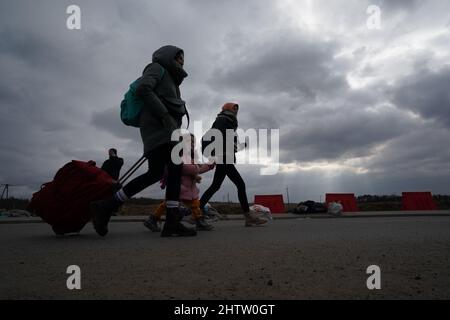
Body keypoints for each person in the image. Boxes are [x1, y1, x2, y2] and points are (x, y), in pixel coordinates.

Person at [90, 45, 196, 237]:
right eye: (178, 56)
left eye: (183, 58)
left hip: (166, 131)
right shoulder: (157, 68)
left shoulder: (173, 81)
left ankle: (107, 206)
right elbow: (143, 89)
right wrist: (165, 117)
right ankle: (170, 221)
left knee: (157, 173)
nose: (182, 60)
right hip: (160, 130)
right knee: (173, 169)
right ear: (168, 56)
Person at [200, 103, 267, 227]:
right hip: (223, 156)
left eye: (237, 109)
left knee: (215, 186)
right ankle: (248, 216)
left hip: (225, 156)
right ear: (227, 109)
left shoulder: (229, 121)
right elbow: (217, 136)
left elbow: (229, 141)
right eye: (233, 108)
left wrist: (240, 145)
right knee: (240, 184)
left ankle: (196, 212)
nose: (236, 111)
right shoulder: (223, 120)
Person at [144, 133, 216, 232]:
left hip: (189, 187)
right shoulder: (179, 154)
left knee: (194, 203)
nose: (191, 143)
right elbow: (184, 168)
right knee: (170, 203)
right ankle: (154, 218)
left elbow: (197, 169)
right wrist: (195, 171)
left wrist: (209, 165)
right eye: (188, 141)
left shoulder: (191, 157)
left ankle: (199, 221)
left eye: (193, 142)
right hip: (180, 186)